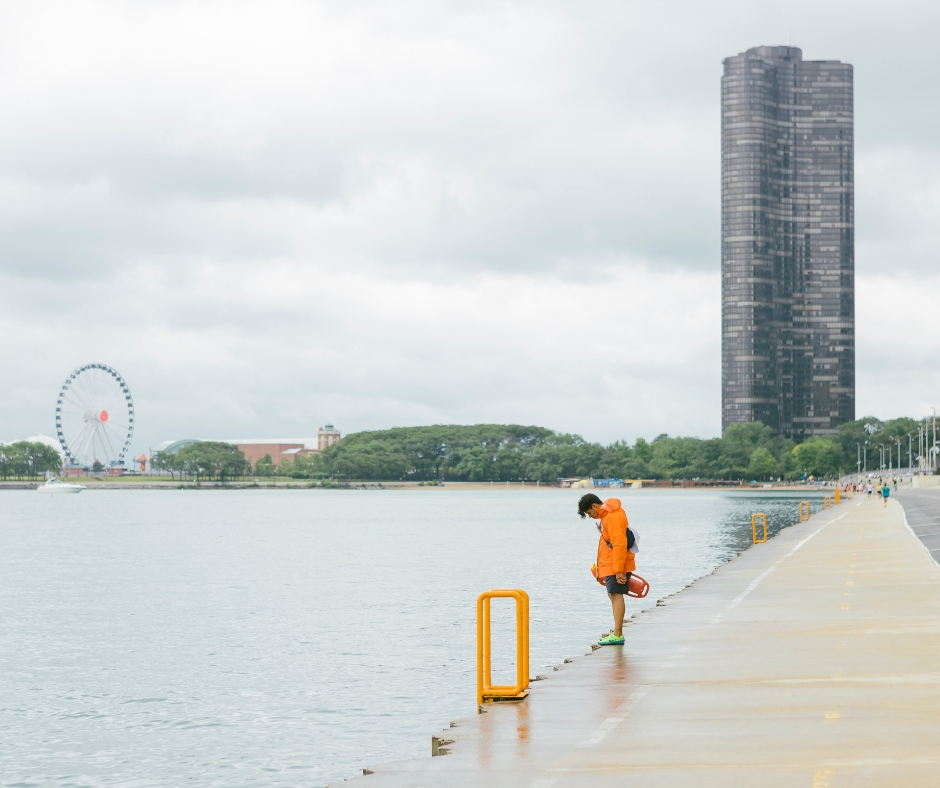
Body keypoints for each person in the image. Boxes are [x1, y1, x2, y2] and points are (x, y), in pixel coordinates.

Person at [578, 493, 636, 646]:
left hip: (616, 565)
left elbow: (619, 544)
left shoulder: (612, 516)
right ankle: (617, 631)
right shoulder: (607, 516)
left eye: (589, 513)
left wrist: (618, 570)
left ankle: (618, 634)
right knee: (613, 594)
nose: (591, 517)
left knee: (616, 595)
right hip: (611, 564)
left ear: (594, 506)